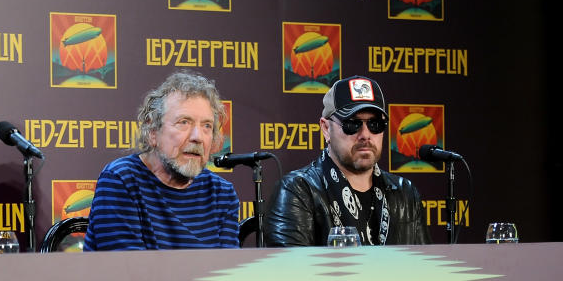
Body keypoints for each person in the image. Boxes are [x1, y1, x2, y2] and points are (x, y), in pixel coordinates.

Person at [264, 75, 430, 246]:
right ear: (326, 128)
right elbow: (291, 270)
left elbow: (424, 267)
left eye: (375, 124)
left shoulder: (405, 193)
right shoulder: (298, 191)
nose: (365, 135)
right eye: (352, 124)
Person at [84, 71, 240, 250]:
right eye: (184, 122)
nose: (198, 137)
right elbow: (127, 272)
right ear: (152, 132)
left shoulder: (221, 194)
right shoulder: (121, 180)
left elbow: (228, 272)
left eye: (207, 126)